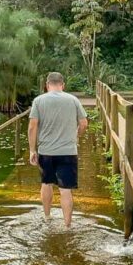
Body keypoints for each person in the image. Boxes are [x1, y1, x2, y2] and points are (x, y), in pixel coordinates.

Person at [28, 72, 88, 227]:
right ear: (63, 85)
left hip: (46, 152)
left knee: (46, 184)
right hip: (68, 152)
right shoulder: (73, 100)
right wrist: (77, 136)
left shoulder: (39, 101)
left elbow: (32, 126)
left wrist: (32, 150)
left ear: (47, 85)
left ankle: (47, 217)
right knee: (65, 190)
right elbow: (84, 124)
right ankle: (67, 226)